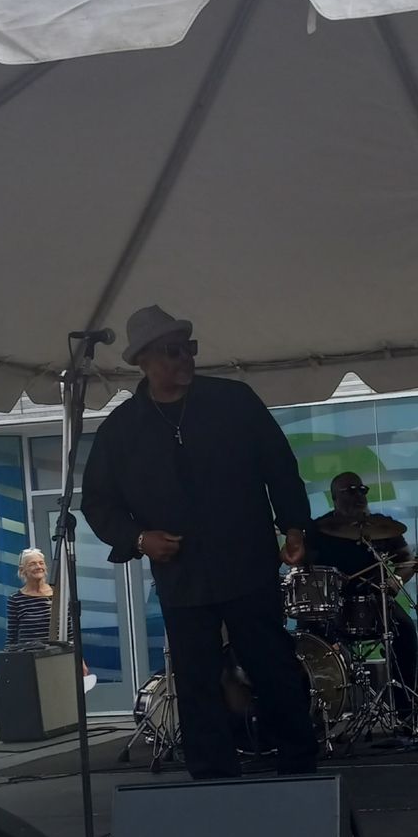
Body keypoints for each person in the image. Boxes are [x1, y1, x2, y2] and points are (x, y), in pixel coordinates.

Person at [82, 304, 317, 780]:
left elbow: (280, 466)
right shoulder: (121, 430)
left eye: (188, 347)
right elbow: (98, 503)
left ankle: (299, 769)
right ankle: (213, 779)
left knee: (273, 666)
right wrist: (139, 538)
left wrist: (294, 526)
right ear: (143, 361)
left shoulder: (234, 401)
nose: (184, 357)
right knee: (195, 680)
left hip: (247, 561)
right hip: (182, 574)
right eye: (171, 351)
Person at [307, 472, 418, 711]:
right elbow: (304, 568)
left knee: (406, 631)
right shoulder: (319, 530)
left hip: (374, 601)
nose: (358, 496)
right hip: (332, 604)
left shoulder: (382, 527)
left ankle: (405, 708)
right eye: (350, 491)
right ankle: (322, 710)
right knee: (308, 636)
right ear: (334, 498)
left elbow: (408, 561)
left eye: (362, 490)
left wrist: (394, 583)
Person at [6, 549, 53, 648]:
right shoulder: (15, 599)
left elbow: (70, 632)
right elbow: (12, 636)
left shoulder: (58, 594)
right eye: (32, 564)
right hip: (28, 655)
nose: (38, 567)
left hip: (58, 654)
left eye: (41, 563)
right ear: (22, 570)